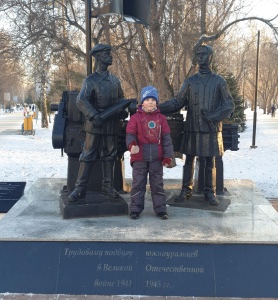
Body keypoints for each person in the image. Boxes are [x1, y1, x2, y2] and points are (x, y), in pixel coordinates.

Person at [159, 44, 235, 206]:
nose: (200, 57)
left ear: (210, 57)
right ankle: (186, 189)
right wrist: (156, 107)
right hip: (192, 128)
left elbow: (229, 104)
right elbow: (178, 102)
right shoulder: (190, 81)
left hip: (211, 129)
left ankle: (210, 191)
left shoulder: (219, 81)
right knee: (189, 160)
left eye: (204, 54)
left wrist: (213, 116)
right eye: (198, 54)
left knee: (209, 161)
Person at [68, 44, 127, 203]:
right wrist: (94, 115)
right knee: (87, 155)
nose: (111, 56)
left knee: (110, 155)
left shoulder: (115, 80)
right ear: (99, 57)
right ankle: (80, 188)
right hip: (95, 125)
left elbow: (121, 99)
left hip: (111, 125)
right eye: (107, 54)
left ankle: (108, 187)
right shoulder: (90, 80)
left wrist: (123, 110)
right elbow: (81, 100)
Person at [126, 86, 174, 219]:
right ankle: (135, 209)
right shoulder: (135, 118)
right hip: (139, 157)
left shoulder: (161, 119)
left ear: (157, 102)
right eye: (148, 99)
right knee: (138, 183)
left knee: (157, 184)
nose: (151, 102)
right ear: (142, 102)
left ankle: (160, 209)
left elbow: (166, 139)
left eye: (153, 99)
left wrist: (168, 156)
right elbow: (130, 134)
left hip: (156, 159)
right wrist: (132, 145)